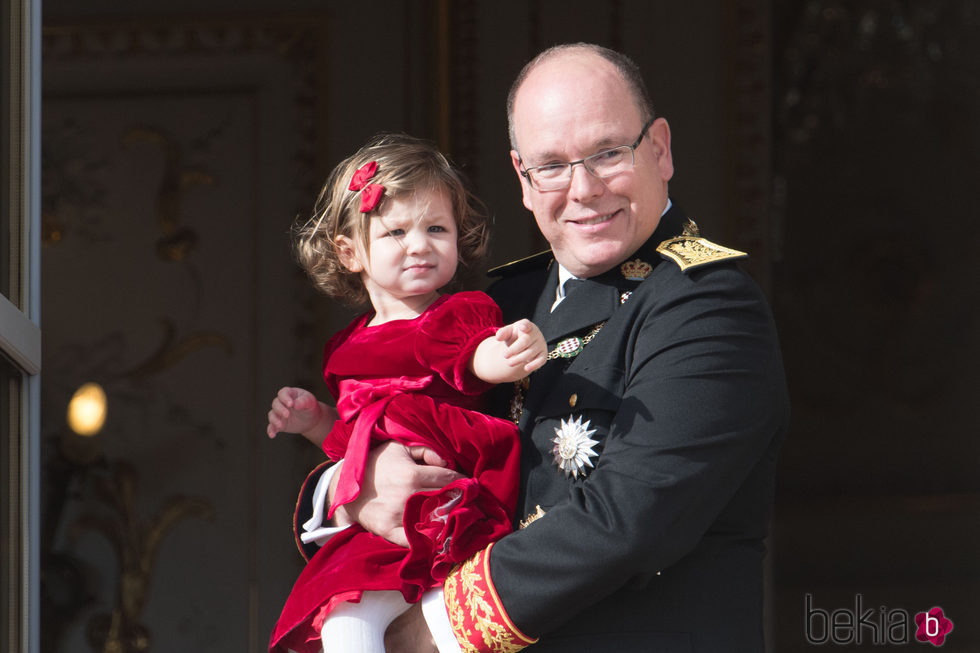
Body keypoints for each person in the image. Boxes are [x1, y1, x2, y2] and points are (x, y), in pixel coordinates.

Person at [324, 43, 790, 653]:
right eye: (551, 165)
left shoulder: (707, 302)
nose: (584, 188)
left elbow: (632, 517)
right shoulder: (501, 301)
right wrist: (350, 485)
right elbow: (390, 401)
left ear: (660, 150)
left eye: (607, 153)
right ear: (522, 178)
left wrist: (429, 632)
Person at [265, 133, 547, 653]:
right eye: (396, 231)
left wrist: (505, 356)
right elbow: (354, 442)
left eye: (436, 228)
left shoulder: (458, 315)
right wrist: (315, 421)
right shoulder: (348, 346)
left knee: (387, 624)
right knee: (345, 621)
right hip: (380, 525)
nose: (419, 244)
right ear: (350, 251)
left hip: (450, 499)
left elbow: (472, 361)